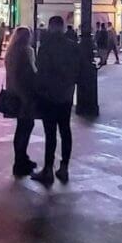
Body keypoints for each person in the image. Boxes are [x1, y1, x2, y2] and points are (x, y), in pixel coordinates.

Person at [31, 16, 80, 186]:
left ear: (51, 27)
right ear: (64, 27)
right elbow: (78, 70)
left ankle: (48, 169)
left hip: (49, 96)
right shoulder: (73, 46)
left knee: (50, 134)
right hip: (66, 95)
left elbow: (41, 71)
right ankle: (64, 167)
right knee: (65, 131)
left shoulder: (46, 47)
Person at [4, 26, 38, 177]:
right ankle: (21, 161)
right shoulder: (26, 52)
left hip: (13, 93)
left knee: (21, 128)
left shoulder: (11, 53)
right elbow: (30, 73)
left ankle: (21, 159)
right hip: (25, 93)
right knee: (26, 126)